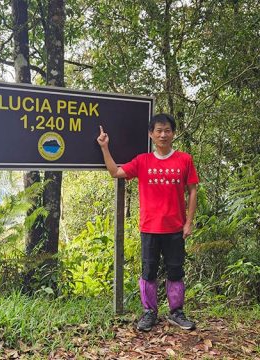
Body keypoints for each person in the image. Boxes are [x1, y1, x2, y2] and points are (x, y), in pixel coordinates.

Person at [97, 113, 198, 332]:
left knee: (176, 271)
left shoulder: (184, 160)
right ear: (151, 134)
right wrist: (105, 147)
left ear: (173, 133)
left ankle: (176, 313)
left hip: (175, 228)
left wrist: (189, 222)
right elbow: (115, 172)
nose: (163, 135)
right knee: (148, 272)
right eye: (159, 131)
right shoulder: (143, 161)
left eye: (167, 130)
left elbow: (192, 191)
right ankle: (149, 312)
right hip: (150, 228)